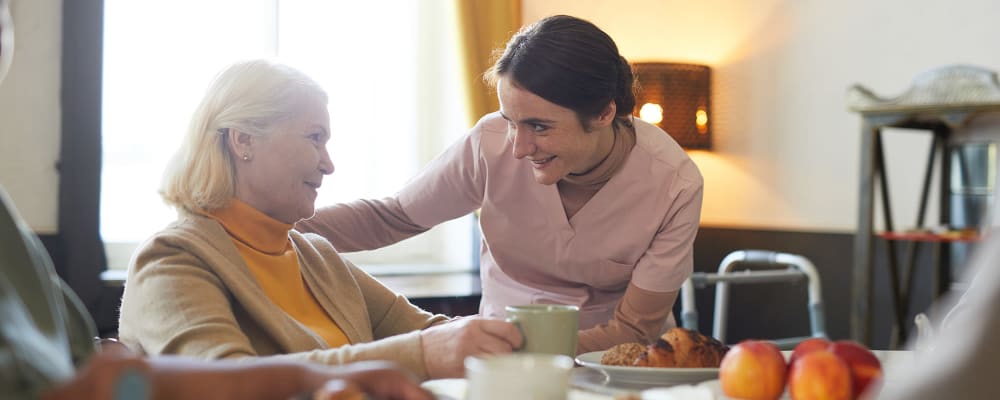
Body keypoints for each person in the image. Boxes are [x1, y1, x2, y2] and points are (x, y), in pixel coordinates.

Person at [297, 14, 704, 353]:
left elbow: (634, 330)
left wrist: (517, 352)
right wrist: (266, 228)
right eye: (510, 121)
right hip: (494, 357)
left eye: (539, 127)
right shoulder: (489, 145)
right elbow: (391, 217)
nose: (518, 148)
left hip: (610, 365)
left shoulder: (674, 185)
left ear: (603, 113)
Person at [116, 59, 521, 381]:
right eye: (314, 138)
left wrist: (559, 342)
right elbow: (226, 383)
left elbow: (431, 331)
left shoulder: (314, 256)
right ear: (242, 140)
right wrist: (419, 355)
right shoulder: (172, 259)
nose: (328, 164)